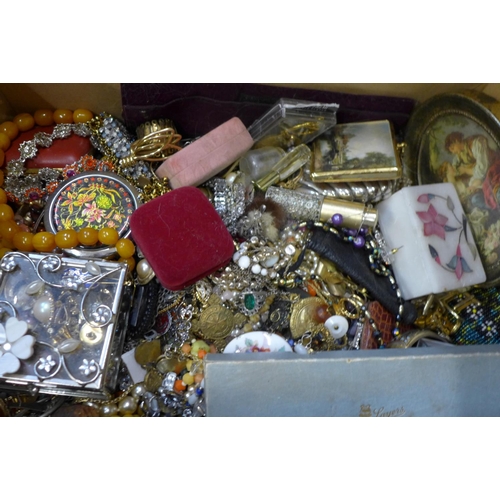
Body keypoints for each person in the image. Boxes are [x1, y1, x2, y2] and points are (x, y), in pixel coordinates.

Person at [443, 131, 500, 209]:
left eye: (453, 148)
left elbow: (482, 170)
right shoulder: (459, 155)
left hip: (495, 170)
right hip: (482, 180)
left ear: (456, 141)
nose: (453, 152)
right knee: (475, 199)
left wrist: (466, 170)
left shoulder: (477, 143)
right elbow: (453, 170)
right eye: (451, 151)